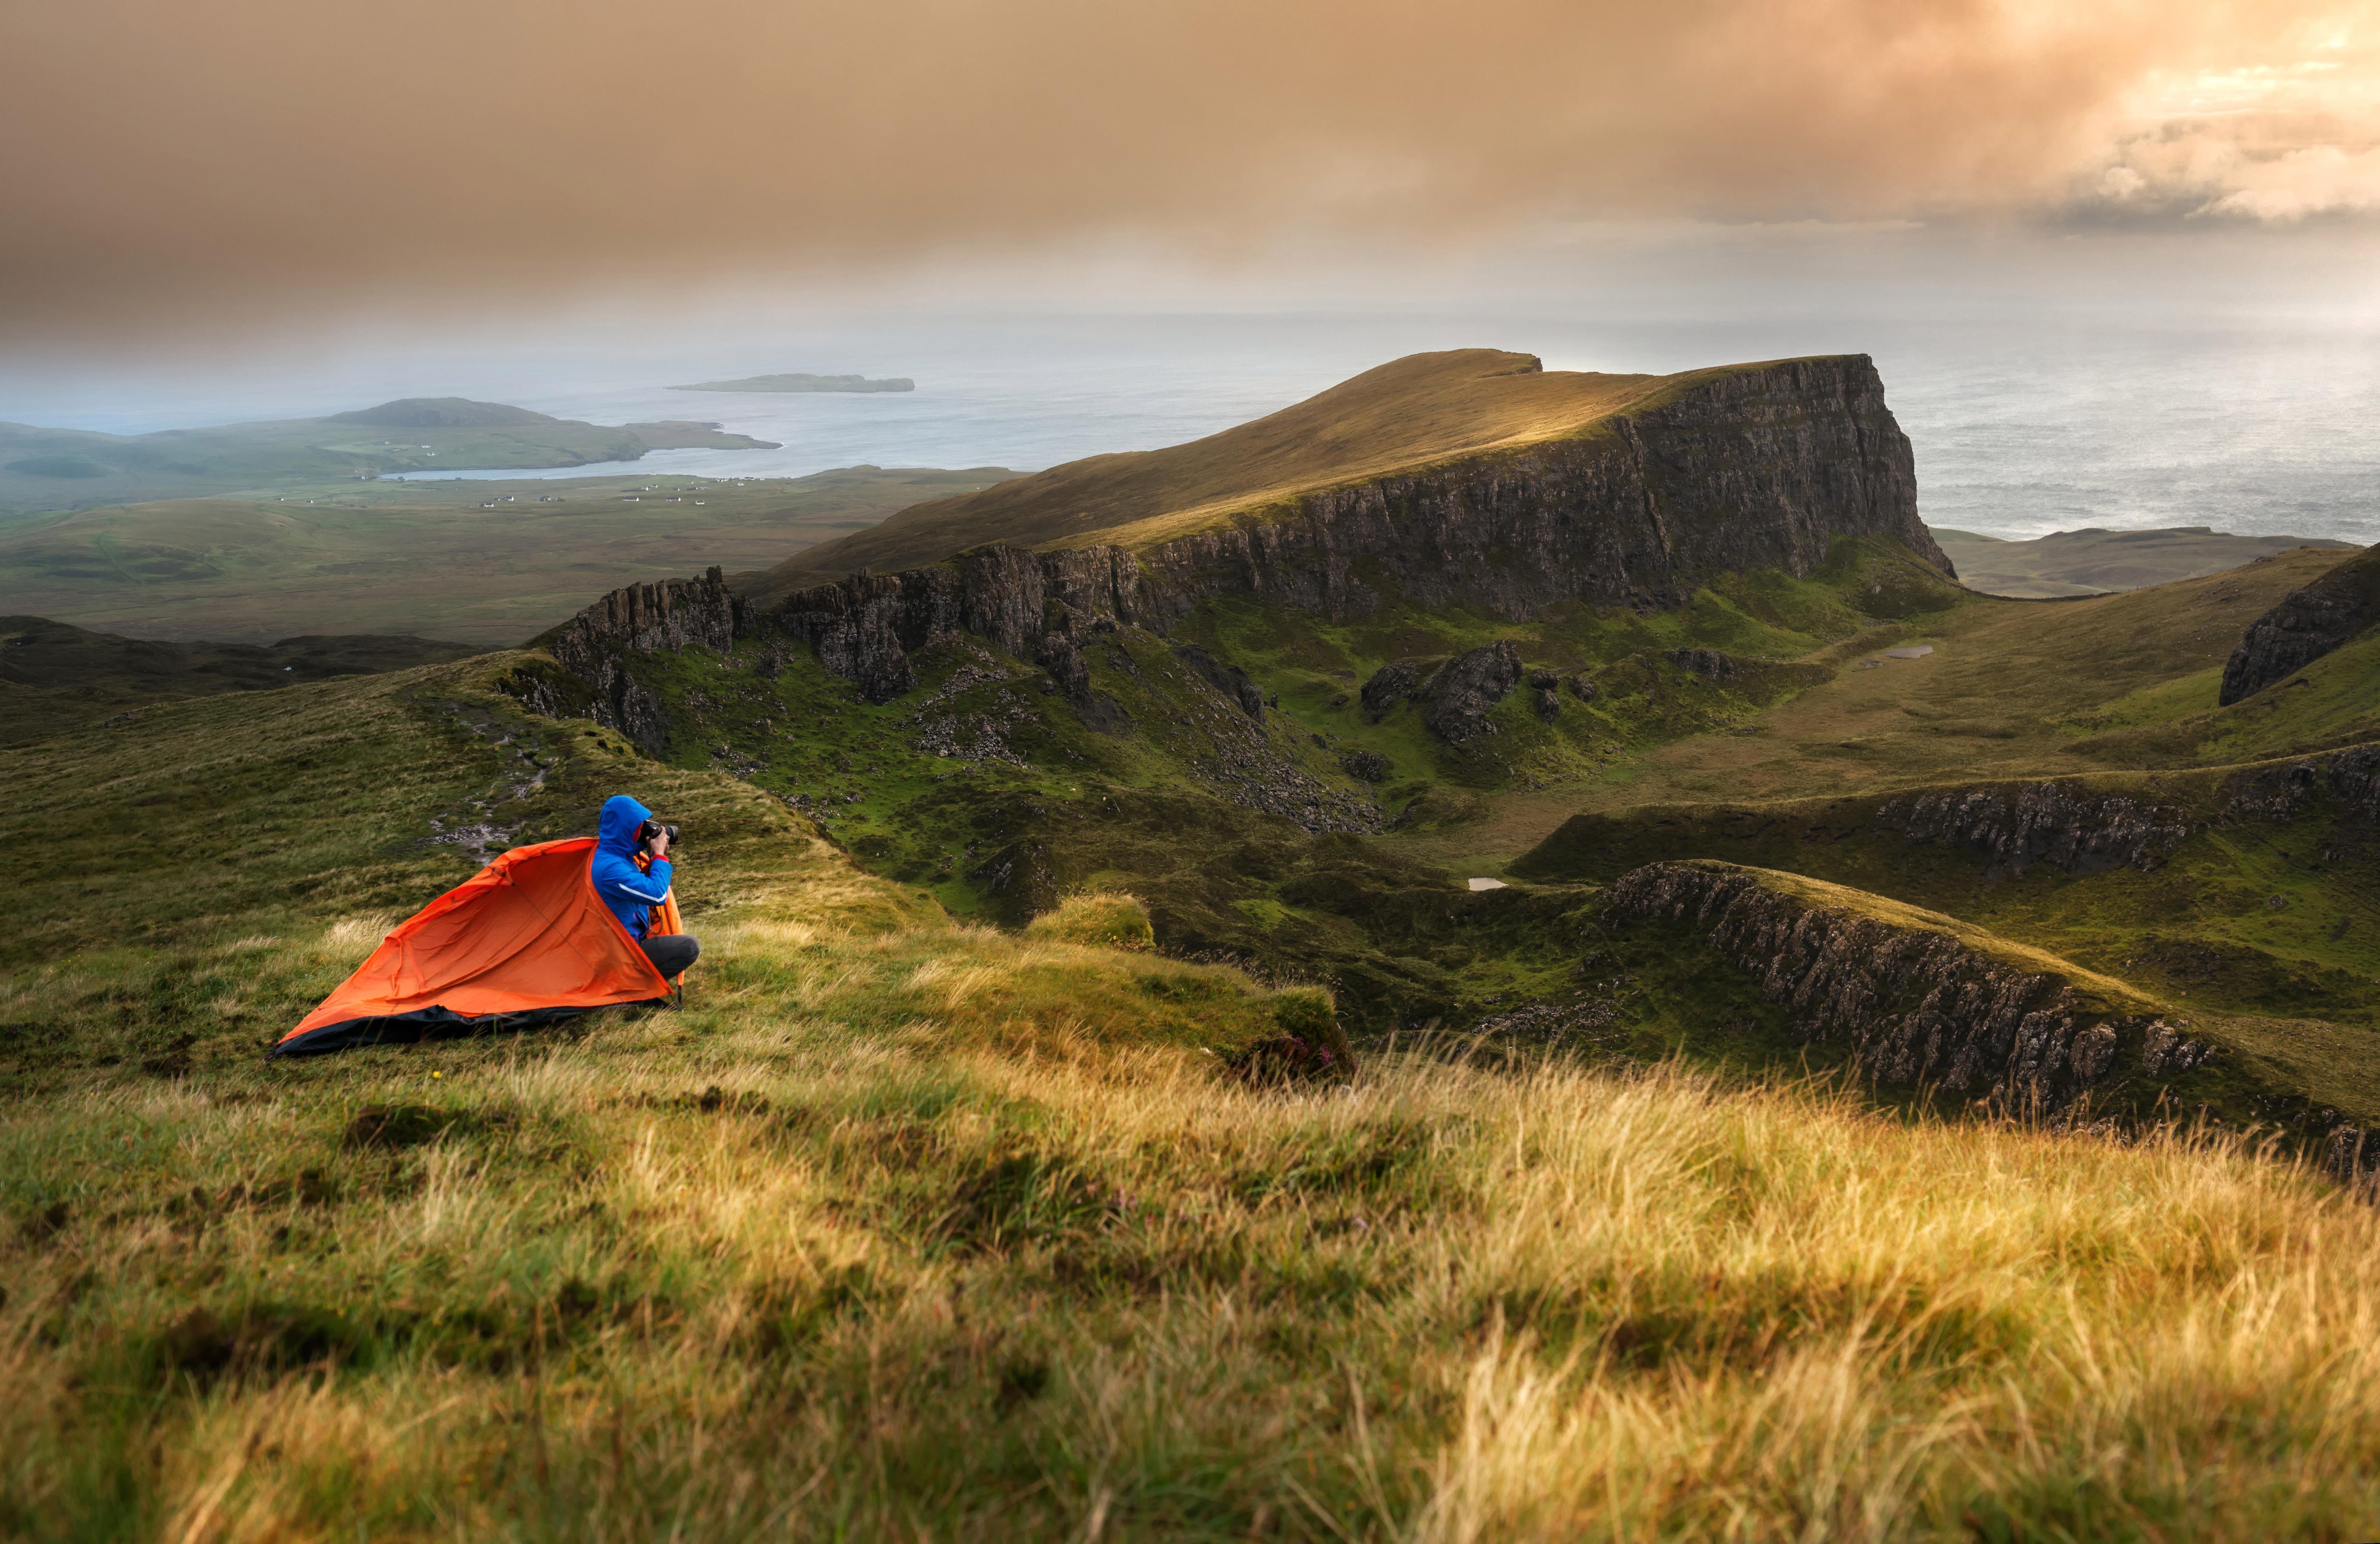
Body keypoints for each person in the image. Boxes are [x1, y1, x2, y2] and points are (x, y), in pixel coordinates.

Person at [591, 794, 700, 984]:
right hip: (622, 953)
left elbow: (639, 885)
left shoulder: (619, 856)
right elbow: (658, 895)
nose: (645, 829)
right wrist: (659, 856)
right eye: (640, 826)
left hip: (623, 945)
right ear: (626, 829)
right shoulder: (611, 868)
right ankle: (629, 988)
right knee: (689, 947)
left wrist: (652, 859)